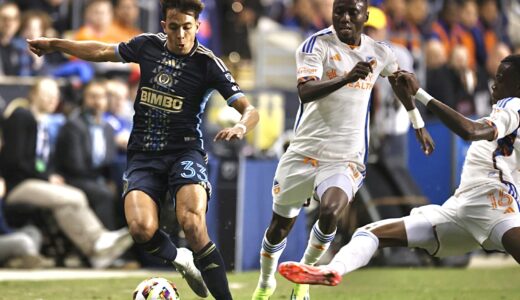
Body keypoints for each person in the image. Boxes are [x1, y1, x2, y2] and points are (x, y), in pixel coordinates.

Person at [27, 0, 259, 299]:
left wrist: (241, 126)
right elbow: (100, 50)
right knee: (140, 229)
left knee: (192, 222)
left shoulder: (208, 63)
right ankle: (180, 259)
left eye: (187, 27)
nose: (180, 34)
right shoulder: (147, 46)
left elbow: (250, 109)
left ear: (197, 27)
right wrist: (56, 44)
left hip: (184, 152)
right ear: (164, 26)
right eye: (173, 27)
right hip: (143, 155)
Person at [278, 54, 520, 286]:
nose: (492, 85)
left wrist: (421, 95)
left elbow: (471, 131)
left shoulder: (514, 104)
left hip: (492, 202)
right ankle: (331, 270)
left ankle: (332, 269)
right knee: (371, 232)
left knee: (374, 234)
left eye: (500, 79)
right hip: (463, 209)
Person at [251, 0, 434, 299]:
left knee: (331, 210)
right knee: (279, 228)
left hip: (345, 156)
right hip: (304, 152)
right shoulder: (315, 45)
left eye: (352, 12)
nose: (345, 18)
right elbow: (305, 91)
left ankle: (305, 276)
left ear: (365, 16)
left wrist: (417, 122)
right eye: (339, 12)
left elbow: (399, 82)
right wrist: (346, 78)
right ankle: (266, 282)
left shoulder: (380, 51)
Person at [0, 77, 133, 269]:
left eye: (54, 95)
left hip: (36, 184)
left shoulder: (44, 124)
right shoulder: (22, 116)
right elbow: (15, 161)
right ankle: (99, 237)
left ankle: (97, 255)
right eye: (46, 95)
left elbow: (42, 162)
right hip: (17, 186)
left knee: (65, 206)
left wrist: (49, 176)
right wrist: (47, 177)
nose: (51, 99)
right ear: (33, 95)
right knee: (75, 195)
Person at [54, 80, 119, 230]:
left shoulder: (108, 128)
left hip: (98, 178)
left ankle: (135, 246)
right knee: (104, 194)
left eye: (101, 97)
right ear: (84, 99)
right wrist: (101, 180)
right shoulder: (73, 125)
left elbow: (110, 160)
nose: (98, 102)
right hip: (74, 178)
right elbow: (75, 165)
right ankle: (105, 242)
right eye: (93, 97)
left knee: (126, 191)